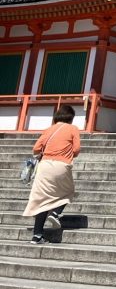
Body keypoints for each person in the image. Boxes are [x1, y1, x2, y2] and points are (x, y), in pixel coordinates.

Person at [23, 104, 80, 244]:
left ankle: (37, 236)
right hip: (62, 166)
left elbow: (36, 149)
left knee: (41, 200)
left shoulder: (48, 130)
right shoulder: (73, 129)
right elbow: (76, 150)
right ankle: (55, 213)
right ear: (71, 118)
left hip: (45, 166)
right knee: (68, 192)